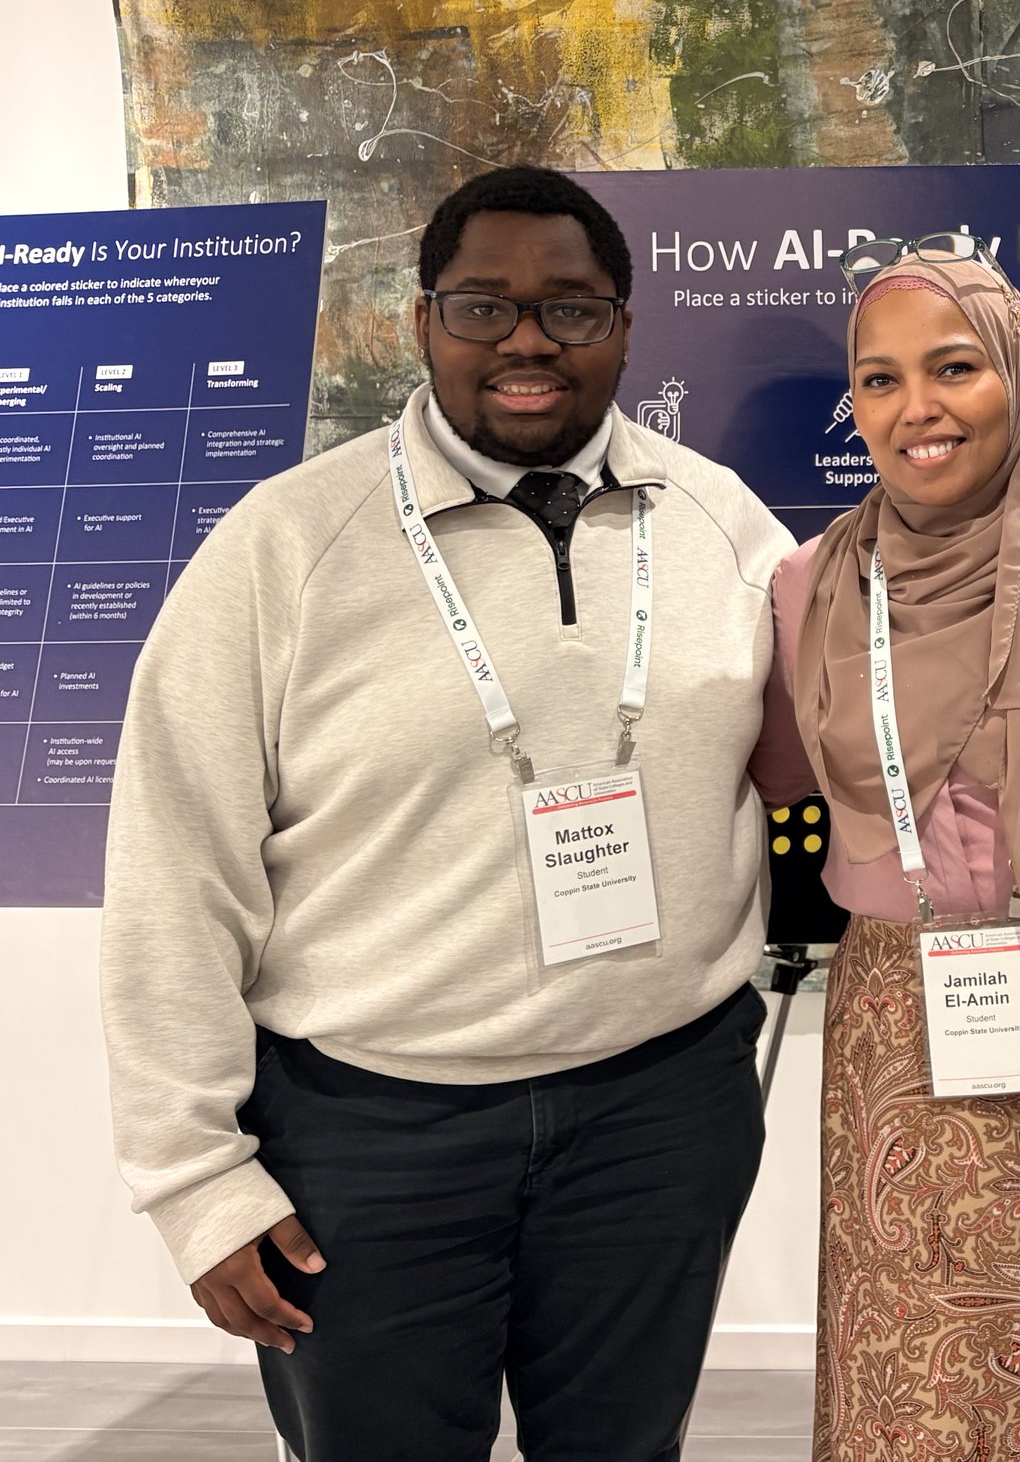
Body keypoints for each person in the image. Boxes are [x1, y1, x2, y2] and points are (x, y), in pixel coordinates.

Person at [100, 166, 794, 1462]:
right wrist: (193, 1178)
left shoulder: (726, 527)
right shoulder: (284, 548)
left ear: (624, 327)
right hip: (371, 1127)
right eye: (484, 306)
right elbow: (173, 873)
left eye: (570, 308)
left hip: (658, 1111)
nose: (528, 340)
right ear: (422, 322)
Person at [747, 245, 1020, 1460]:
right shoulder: (809, 587)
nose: (917, 408)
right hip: (896, 1016)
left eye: (954, 368)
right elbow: (780, 774)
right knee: (913, 1370)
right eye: (879, 379)